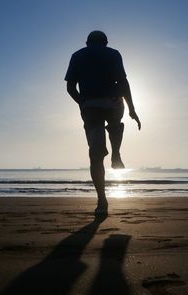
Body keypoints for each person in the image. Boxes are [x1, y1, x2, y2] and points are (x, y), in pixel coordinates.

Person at [65, 31, 141, 215]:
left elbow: (69, 87)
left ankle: (101, 201)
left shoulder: (77, 55)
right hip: (112, 102)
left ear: (87, 42)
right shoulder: (113, 53)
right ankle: (115, 152)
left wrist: (82, 102)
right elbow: (123, 83)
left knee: (96, 155)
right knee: (115, 123)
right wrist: (132, 109)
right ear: (106, 42)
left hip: (90, 106)